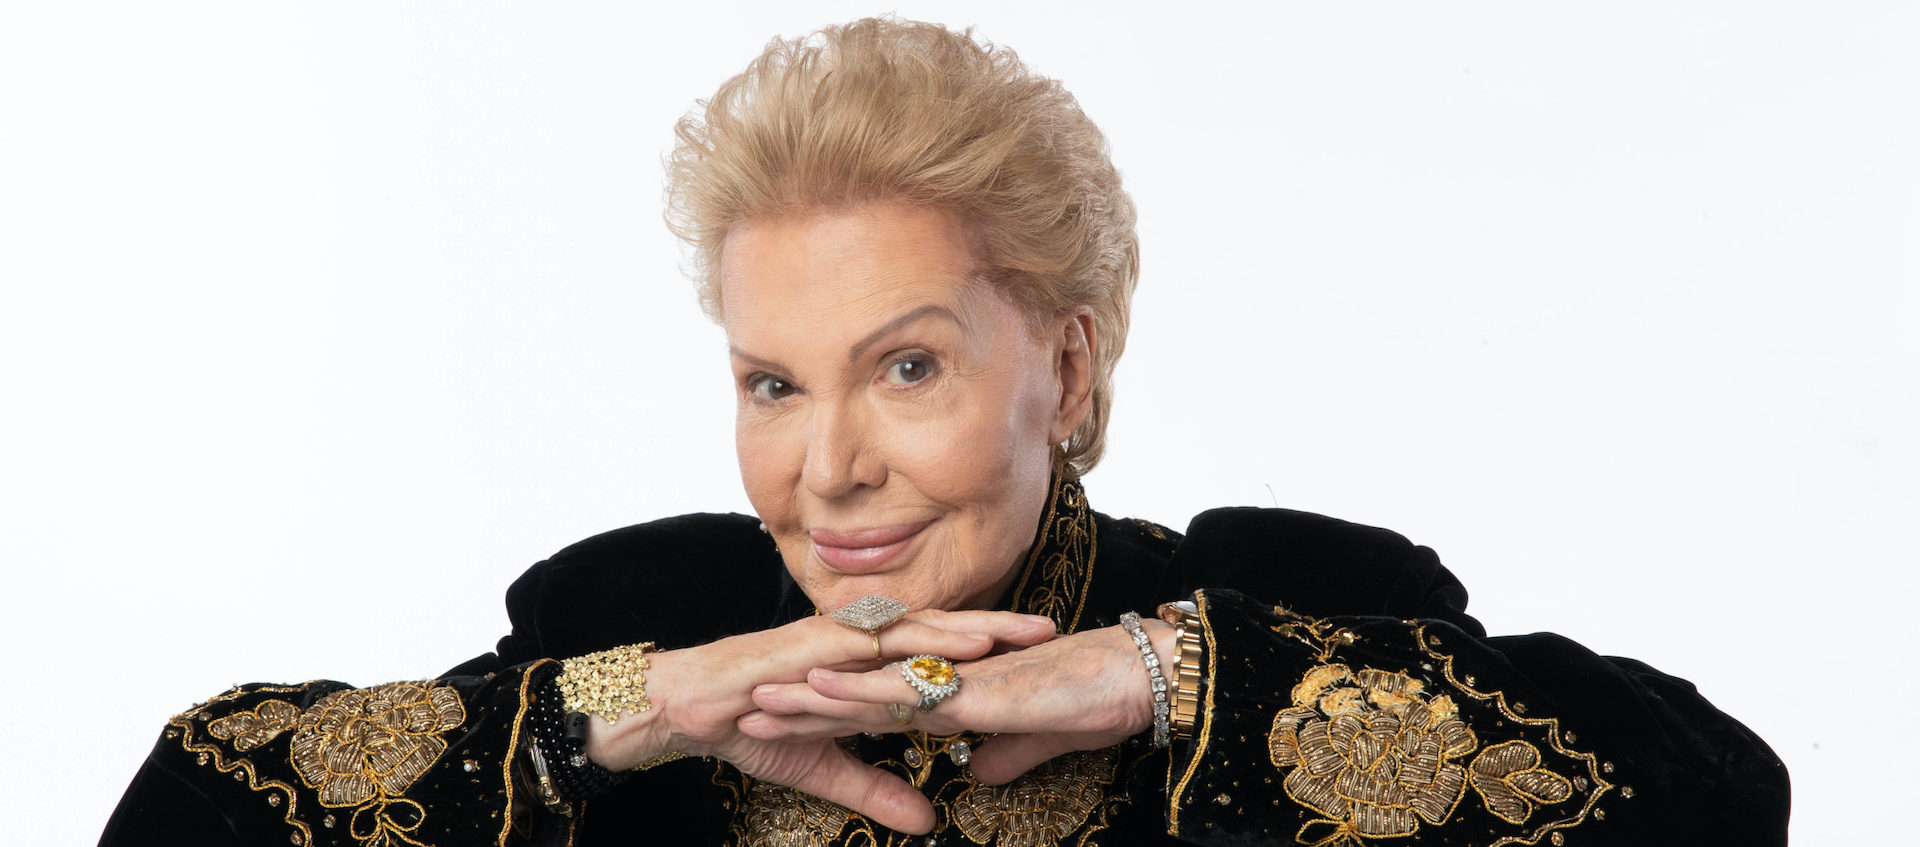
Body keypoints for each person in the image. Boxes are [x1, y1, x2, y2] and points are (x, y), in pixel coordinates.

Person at [100, 17, 1788, 847]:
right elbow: (179, 813)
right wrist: (629, 708)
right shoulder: (627, 634)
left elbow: (1722, 803)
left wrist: (1164, 681)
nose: (823, 467)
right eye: (774, 384)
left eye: (904, 369)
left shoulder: (1277, 613)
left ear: (1065, 355)